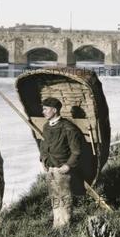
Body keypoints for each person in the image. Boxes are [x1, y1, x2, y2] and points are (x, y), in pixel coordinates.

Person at [39, 97, 84, 229]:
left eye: (46, 109)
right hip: (50, 169)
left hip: (62, 169)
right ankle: (56, 224)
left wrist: (68, 165)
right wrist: (43, 160)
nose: (43, 112)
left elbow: (76, 151)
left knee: (64, 198)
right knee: (55, 198)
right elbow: (43, 144)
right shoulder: (46, 126)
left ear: (54, 110)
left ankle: (65, 226)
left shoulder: (68, 127)